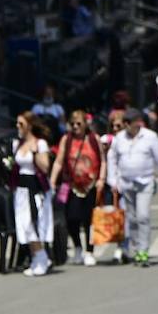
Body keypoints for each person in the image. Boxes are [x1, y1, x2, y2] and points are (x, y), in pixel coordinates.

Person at [106, 108, 158, 267]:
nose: (127, 126)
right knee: (132, 218)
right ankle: (136, 249)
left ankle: (144, 250)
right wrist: (113, 181)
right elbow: (112, 159)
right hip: (126, 183)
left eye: (129, 122)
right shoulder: (119, 139)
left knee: (143, 216)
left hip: (145, 182)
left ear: (137, 122)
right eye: (125, 123)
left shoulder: (150, 137)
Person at [49, 111, 107, 266]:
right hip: (72, 185)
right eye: (72, 124)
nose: (75, 127)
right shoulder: (66, 140)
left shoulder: (94, 139)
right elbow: (59, 162)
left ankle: (89, 250)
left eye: (78, 124)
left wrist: (101, 179)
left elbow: (103, 160)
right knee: (71, 218)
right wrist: (53, 181)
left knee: (89, 220)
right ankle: (78, 247)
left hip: (90, 185)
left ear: (85, 124)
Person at [11, 112, 54, 277]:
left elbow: (45, 167)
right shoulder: (17, 144)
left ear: (29, 125)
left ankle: (42, 257)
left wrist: (35, 153)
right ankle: (37, 257)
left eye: (21, 124)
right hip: (21, 188)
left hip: (35, 188)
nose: (18, 127)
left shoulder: (40, 143)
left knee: (33, 223)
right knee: (23, 223)